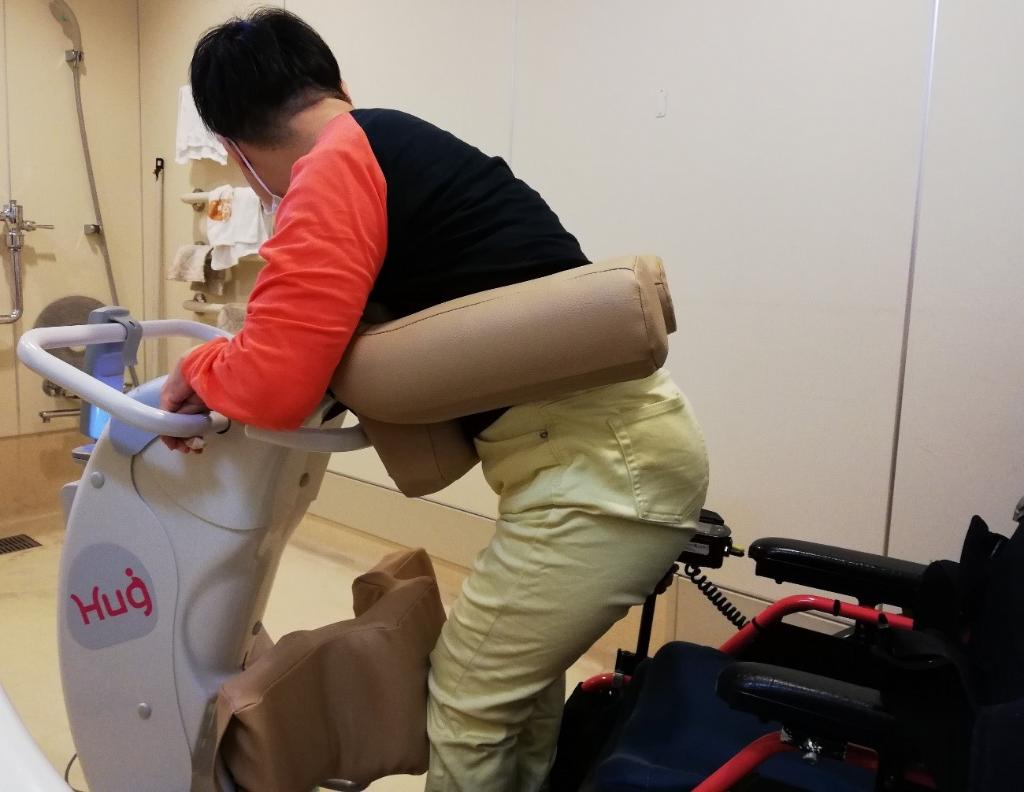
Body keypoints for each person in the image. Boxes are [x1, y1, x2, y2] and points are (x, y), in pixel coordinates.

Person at [164, 9, 709, 792]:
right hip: (612, 459)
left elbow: (277, 380)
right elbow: (308, 338)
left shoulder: (333, 167)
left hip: (602, 476)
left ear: (233, 148)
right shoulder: (386, 141)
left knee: (464, 702)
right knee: (519, 693)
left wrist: (200, 367)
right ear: (335, 82)